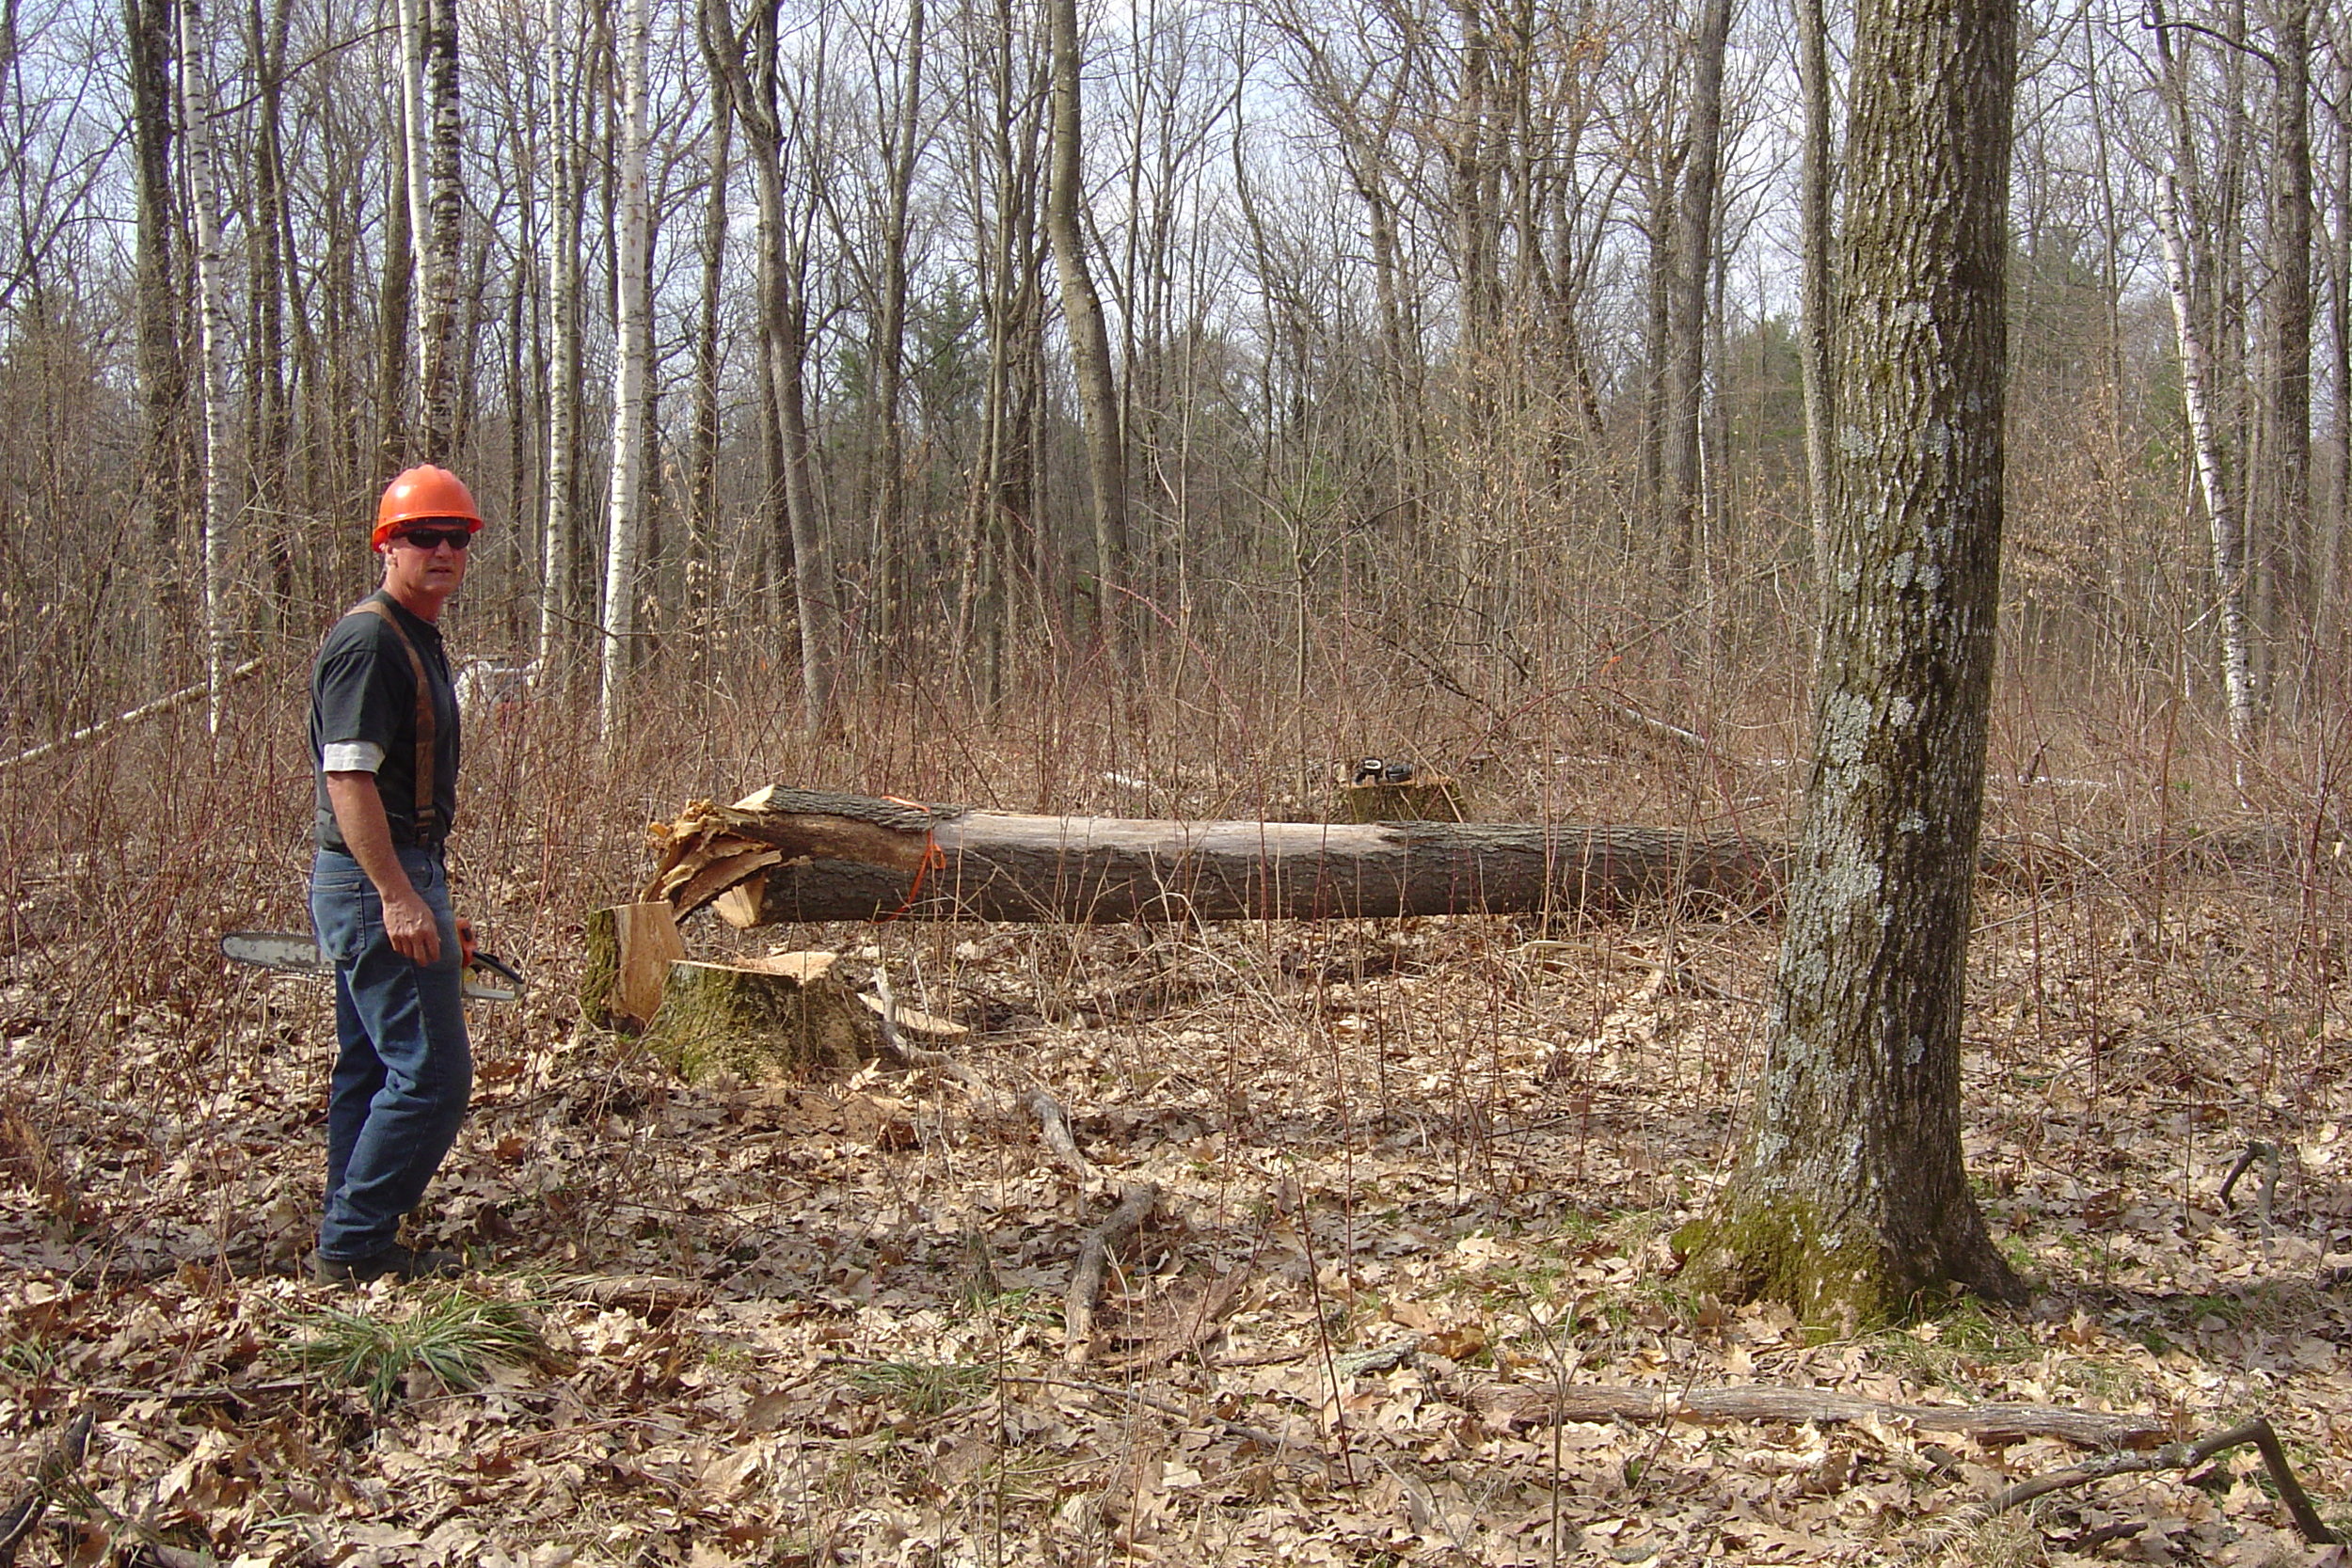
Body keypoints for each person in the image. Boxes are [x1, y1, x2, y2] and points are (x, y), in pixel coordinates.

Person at [305, 465, 484, 1284]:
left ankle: (352, 1232)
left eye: (456, 536)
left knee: (372, 1066)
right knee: (436, 1078)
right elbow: (349, 778)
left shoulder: (417, 635)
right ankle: (353, 1242)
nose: (441, 550)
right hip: (372, 876)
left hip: (400, 869)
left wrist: (431, 900)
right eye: (422, 535)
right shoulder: (370, 639)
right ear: (388, 545)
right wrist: (400, 897)